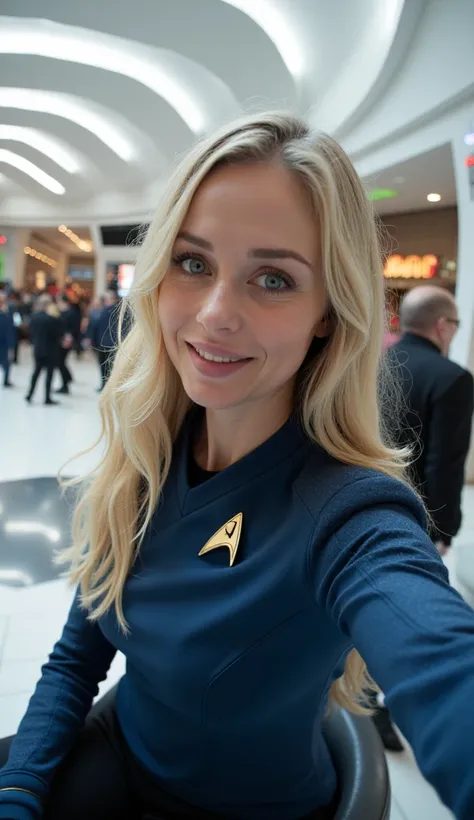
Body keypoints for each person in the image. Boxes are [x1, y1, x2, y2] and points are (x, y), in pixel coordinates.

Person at [1, 113, 474, 820]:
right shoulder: (148, 457)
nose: (216, 313)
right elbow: (77, 657)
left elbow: (441, 663)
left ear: (327, 312)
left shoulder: (350, 515)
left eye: (274, 279)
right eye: (193, 263)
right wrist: (19, 792)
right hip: (119, 752)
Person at [389, 285, 474, 556]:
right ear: (443, 325)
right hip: (417, 516)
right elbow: (444, 464)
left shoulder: (373, 364)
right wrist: (444, 530)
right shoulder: (451, 379)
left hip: (363, 500)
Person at [25, 294, 63, 406]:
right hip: (51, 350)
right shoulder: (53, 319)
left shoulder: (34, 316)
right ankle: (47, 397)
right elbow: (58, 333)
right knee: (49, 374)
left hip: (38, 348)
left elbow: (31, 333)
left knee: (36, 372)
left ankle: (30, 394)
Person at [93, 289, 121, 389]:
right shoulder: (102, 311)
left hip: (111, 343)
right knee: (103, 365)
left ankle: (108, 386)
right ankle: (104, 385)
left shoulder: (115, 311)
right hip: (103, 342)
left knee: (109, 366)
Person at [55, 295, 76, 395]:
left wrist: (70, 338)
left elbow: (74, 327)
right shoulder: (60, 312)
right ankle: (67, 379)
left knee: (60, 361)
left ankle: (66, 383)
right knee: (60, 362)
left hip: (67, 341)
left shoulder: (71, 313)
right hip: (60, 340)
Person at [0, 291, 15, 388]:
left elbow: (12, 325)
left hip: (6, 341)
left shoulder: (9, 309)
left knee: (6, 362)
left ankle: (6, 379)